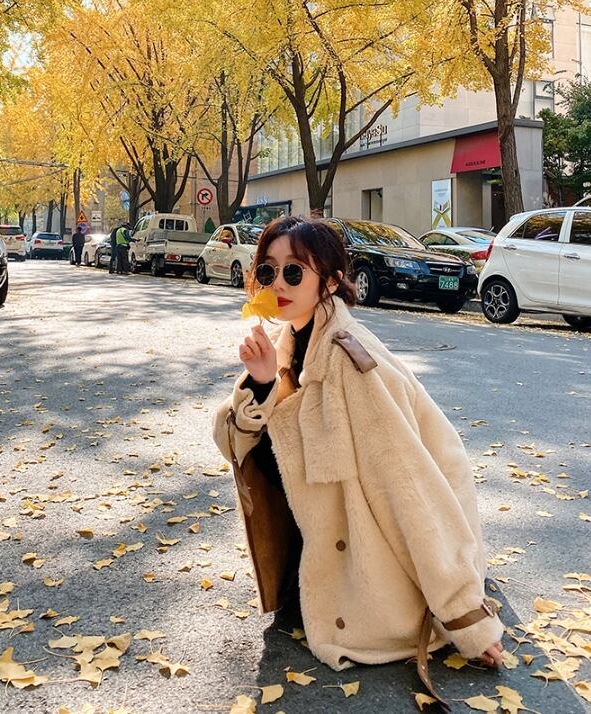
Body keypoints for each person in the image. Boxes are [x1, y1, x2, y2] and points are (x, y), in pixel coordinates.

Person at [213, 216, 504, 706]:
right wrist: (260, 382)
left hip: (376, 570)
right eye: (267, 271)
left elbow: (409, 487)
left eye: (293, 272)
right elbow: (230, 443)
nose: (278, 284)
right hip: (329, 551)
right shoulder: (291, 342)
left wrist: (466, 618)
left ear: (329, 282)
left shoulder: (350, 361)